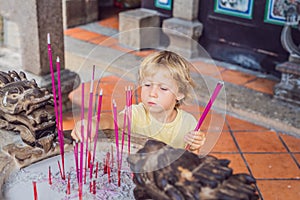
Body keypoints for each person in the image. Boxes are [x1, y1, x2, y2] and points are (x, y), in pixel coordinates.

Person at [71, 51, 206, 154]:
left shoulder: (189, 123)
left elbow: (191, 160)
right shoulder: (136, 114)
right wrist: (93, 123)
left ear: (180, 93)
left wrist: (195, 146)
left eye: (163, 88)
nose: (152, 93)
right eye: (147, 85)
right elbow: (111, 120)